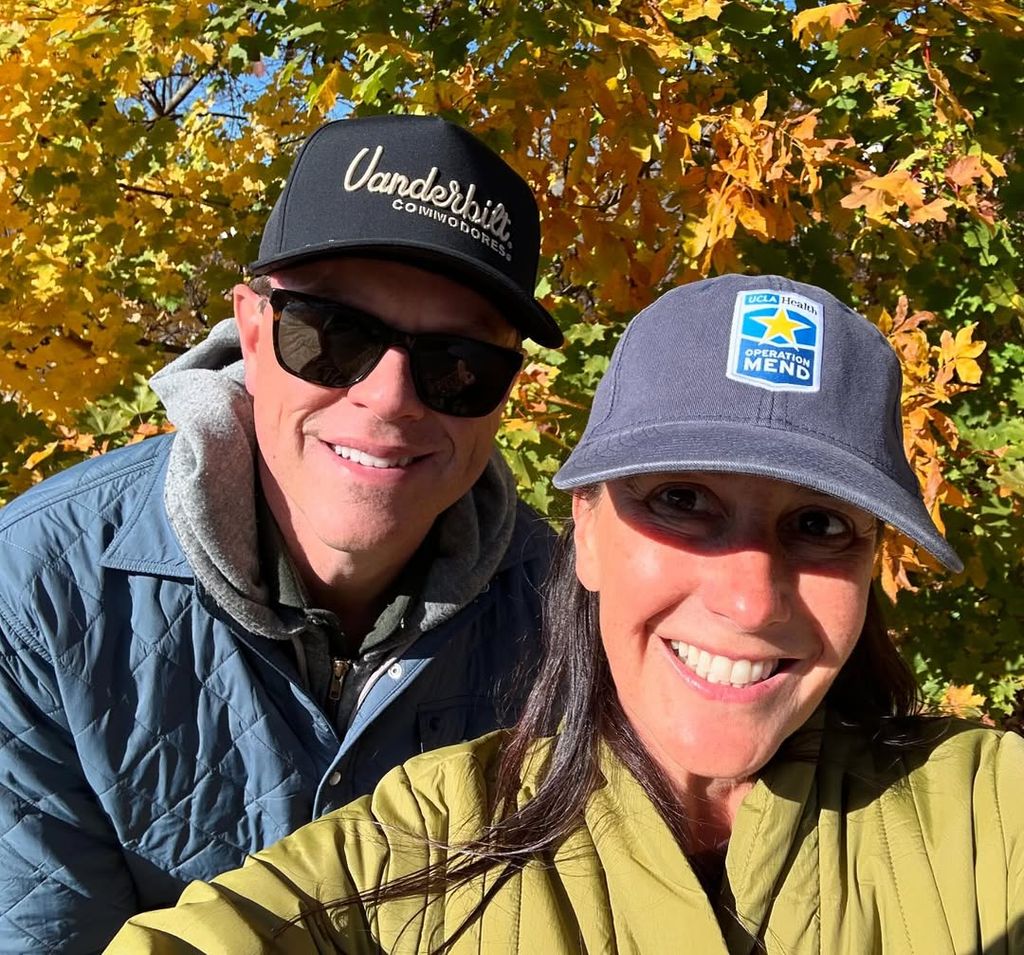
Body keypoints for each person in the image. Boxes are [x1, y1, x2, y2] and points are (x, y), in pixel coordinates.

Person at [106, 274, 1024, 954]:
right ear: (582, 531)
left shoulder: (980, 815)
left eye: (819, 526)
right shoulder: (431, 838)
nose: (750, 597)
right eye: (682, 501)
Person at [0, 115, 563, 952]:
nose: (391, 397)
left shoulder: (572, 614)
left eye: (458, 363)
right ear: (253, 331)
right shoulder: (40, 588)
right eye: (334, 335)